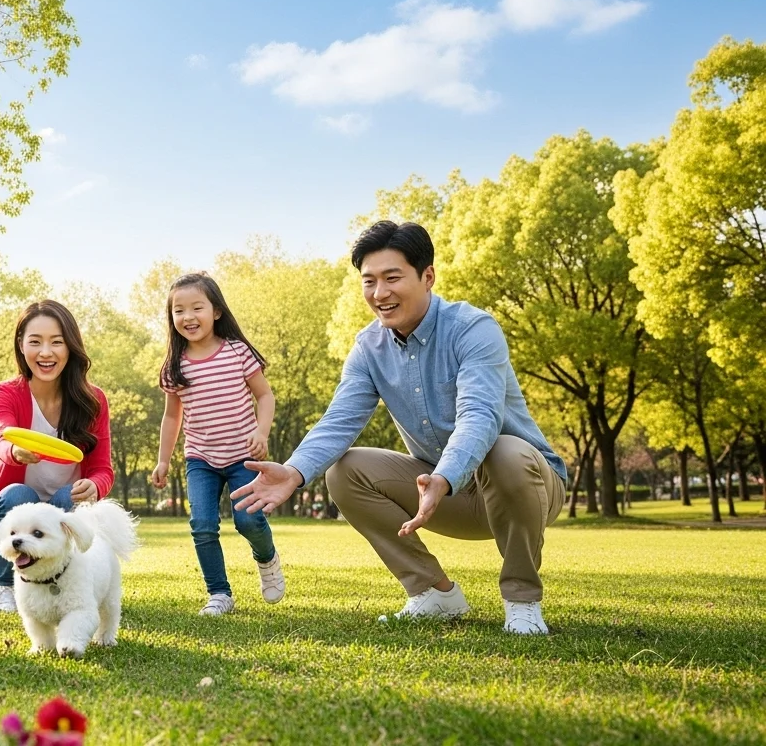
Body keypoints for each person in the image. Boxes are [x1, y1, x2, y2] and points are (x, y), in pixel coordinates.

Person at [233, 221, 568, 635]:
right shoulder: (368, 347)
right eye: (369, 281)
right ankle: (433, 593)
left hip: (524, 488)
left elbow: (479, 415)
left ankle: (522, 600)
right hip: (443, 495)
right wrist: (295, 470)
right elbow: (339, 420)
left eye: (392, 278)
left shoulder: (473, 329)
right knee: (344, 469)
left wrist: (445, 476)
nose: (380, 293)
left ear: (427, 277)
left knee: (505, 450)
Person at [150, 273, 285, 616]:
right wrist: (163, 460)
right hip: (201, 459)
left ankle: (267, 558)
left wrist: (262, 432)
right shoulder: (174, 367)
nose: (188, 316)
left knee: (248, 522)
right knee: (203, 525)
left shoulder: (237, 352)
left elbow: (265, 395)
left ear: (216, 311)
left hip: (244, 456)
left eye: (197, 307)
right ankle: (219, 593)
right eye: (179, 310)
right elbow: (172, 417)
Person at [0, 300, 114, 614]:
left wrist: (95, 486)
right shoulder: (5, 393)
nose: (46, 352)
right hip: (6, 516)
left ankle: (67, 585)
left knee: (70, 496)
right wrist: (14, 452)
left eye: (56, 342)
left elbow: (102, 468)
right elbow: (2, 436)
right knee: (18, 494)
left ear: (71, 346)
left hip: (62, 510)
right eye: (35, 342)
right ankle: (4, 587)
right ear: (21, 345)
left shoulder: (93, 400)